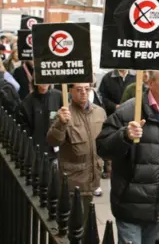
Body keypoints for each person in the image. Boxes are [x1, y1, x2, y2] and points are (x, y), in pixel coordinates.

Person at [96, 70, 159, 244]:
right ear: (150, 83)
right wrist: (124, 135)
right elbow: (102, 148)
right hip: (130, 207)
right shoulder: (129, 112)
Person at [47, 83, 106, 224]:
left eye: (87, 89)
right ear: (71, 91)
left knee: (86, 222)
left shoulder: (99, 112)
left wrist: (107, 167)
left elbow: (104, 141)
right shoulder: (64, 113)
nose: (84, 92)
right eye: (79, 90)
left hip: (93, 178)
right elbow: (53, 141)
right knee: (73, 223)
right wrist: (61, 123)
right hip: (73, 182)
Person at [19, 84, 63, 162]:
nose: (44, 83)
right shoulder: (27, 102)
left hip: (56, 150)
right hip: (37, 152)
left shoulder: (59, 96)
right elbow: (25, 130)